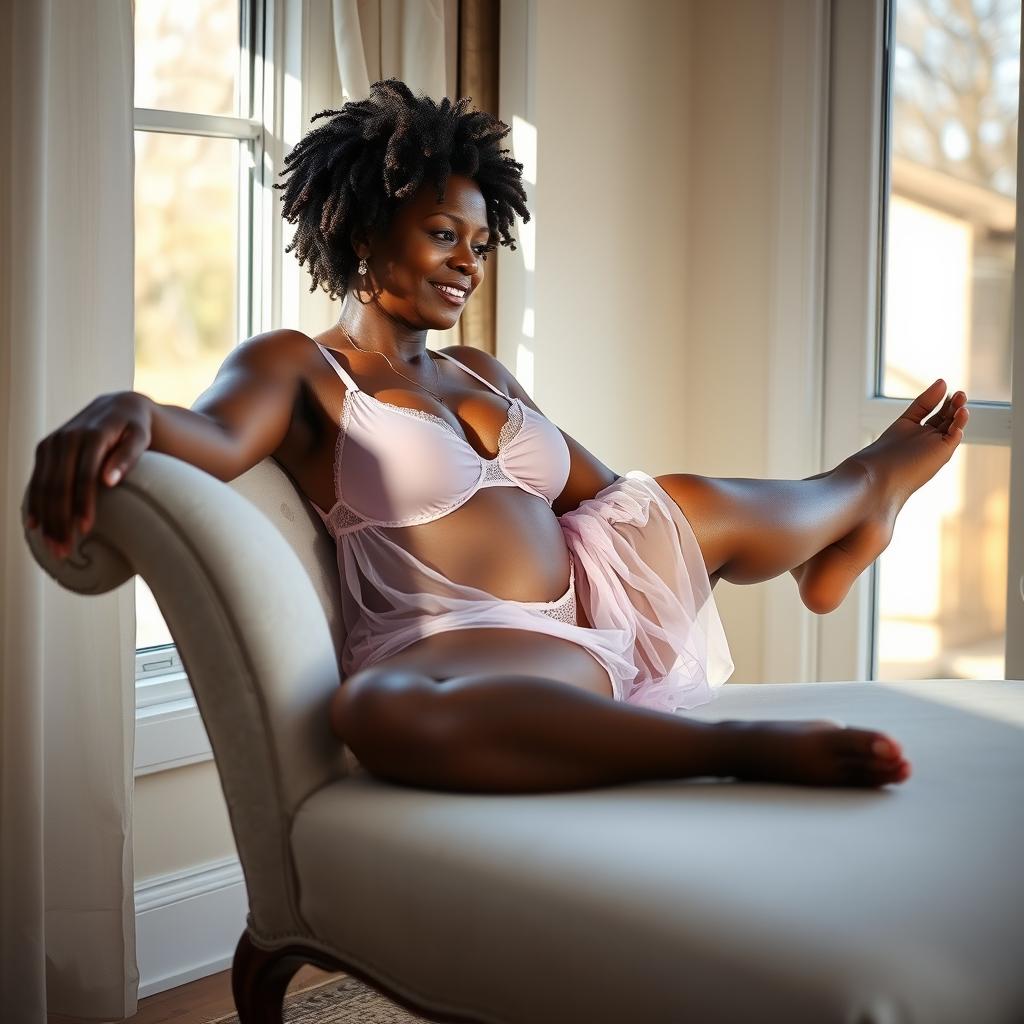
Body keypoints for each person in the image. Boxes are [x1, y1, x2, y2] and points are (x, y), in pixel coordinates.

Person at [25, 79, 969, 795]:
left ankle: (864, 490)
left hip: (591, 590)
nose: (467, 264)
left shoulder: (479, 370)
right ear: (362, 229)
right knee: (376, 710)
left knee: (670, 498)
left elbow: (603, 495)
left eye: (480, 245)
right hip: (479, 643)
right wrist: (128, 410)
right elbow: (214, 434)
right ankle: (743, 747)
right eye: (443, 235)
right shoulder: (301, 368)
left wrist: (680, 530)